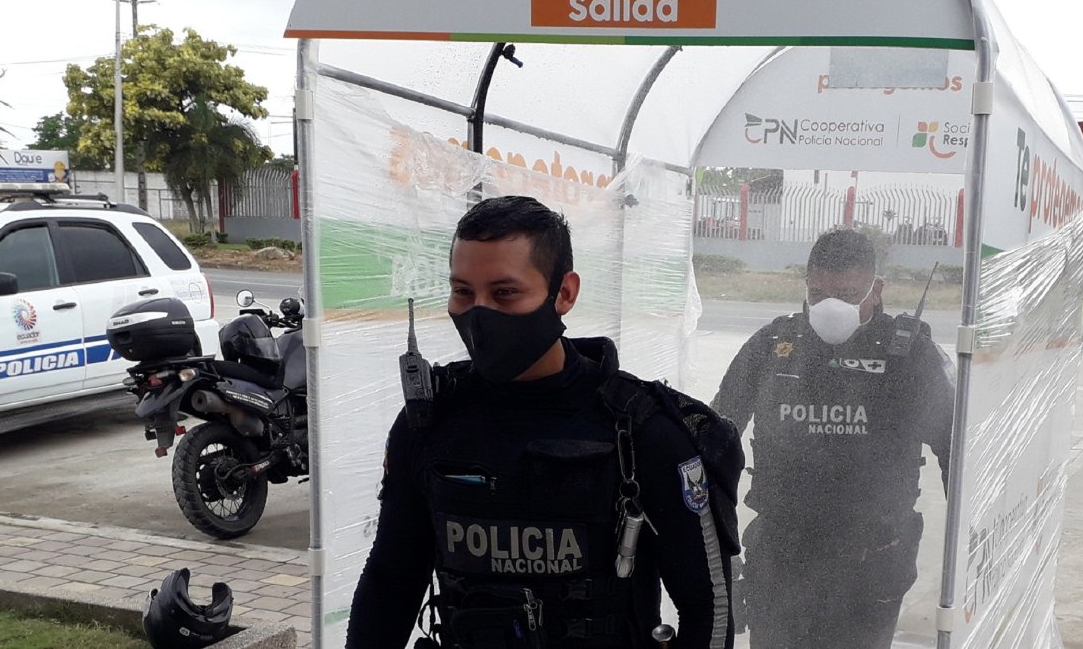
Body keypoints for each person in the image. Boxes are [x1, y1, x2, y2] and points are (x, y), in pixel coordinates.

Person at [347, 195, 740, 649]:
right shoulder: (429, 423)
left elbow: (708, 608)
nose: (479, 313)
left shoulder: (645, 430)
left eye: (504, 293)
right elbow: (390, 580)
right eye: (462, 292)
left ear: (565, 293)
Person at [711, 229, 954, 649]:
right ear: (806, 285)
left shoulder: (909, 357)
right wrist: (717, 547)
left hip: (871, 560)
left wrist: (972, 542)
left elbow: (955, 452)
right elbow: (715, 438)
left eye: (848, 292)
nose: (830, 306)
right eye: (819, 292)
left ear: (876, 291)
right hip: (782, 555)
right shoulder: (772, 345)